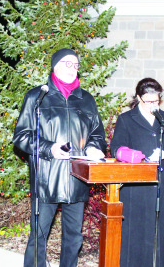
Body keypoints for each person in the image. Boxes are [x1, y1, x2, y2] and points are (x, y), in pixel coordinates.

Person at [13, 48, 107, 267]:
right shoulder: (37, 96)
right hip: (46, 177)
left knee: (74, 238)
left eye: (75, 65)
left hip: (78, 177)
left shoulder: (86, 99)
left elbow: (97, 134)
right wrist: (49, 147)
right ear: (54, 65)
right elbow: (21, 136)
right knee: (38, 237)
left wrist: (94, 147)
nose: (72, 69)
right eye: (67, 63)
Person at [110, 78, 164, 267]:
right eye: (149, 101)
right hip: (134, 185)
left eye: (156, 101)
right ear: (139, 98)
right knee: (134, 230)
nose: (153, 105)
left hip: (158, 181)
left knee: (156, 230)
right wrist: (132, 155)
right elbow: (115, 148)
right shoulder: (126, 119)